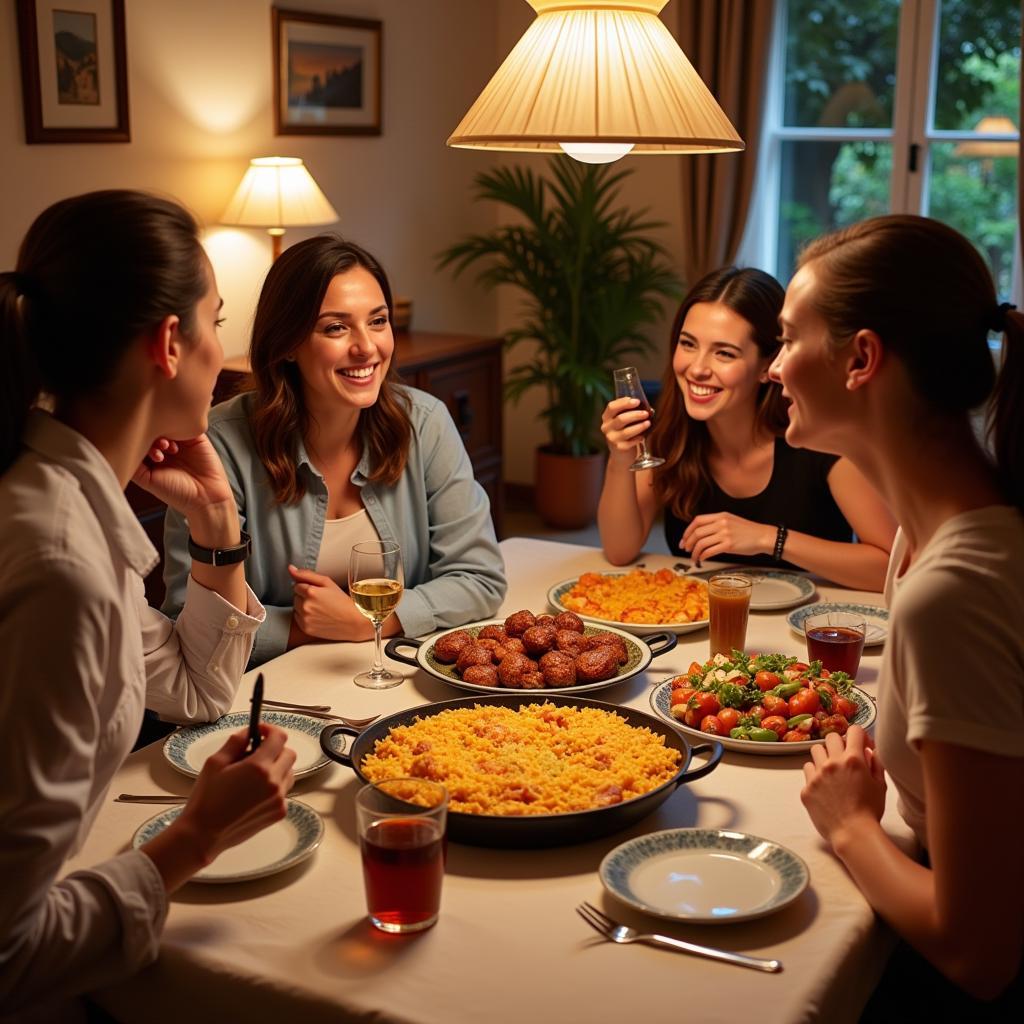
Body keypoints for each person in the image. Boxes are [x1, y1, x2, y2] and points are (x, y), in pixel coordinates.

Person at [0, 191, 296, 1015]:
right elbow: (9, 952)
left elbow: (199, 691)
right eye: (218, 319)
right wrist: (195, 838)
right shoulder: (61, 565)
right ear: (171, 343)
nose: (225, 352)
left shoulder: (52, 492)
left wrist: (215, 520)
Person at [771, 214, 1023, 1011]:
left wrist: (850, 827)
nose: (773, 368)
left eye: (785, 339)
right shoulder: (922, 535)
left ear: (861, 359)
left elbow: (980, 952)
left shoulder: (952, 589)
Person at [162, 235, 506, 667]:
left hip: (396, 673)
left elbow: (480, 578)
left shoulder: (424, 422)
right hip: (267, 693)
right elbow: (186, 618)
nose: (366, 347)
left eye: (377, 321)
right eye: (336, 327)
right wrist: (300, 627)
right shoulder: (222, 443)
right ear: (287, 343)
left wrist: (368, 622)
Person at [597, 267, 895, 590]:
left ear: (769, 366)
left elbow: (890, 568)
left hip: (807, 629)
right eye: (688, 344)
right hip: (703, 623)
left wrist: (768, 538)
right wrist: (619, 457)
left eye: (724, 353)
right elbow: (619, 551)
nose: (697, 368)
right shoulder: (671, 432)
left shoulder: (823, 440)